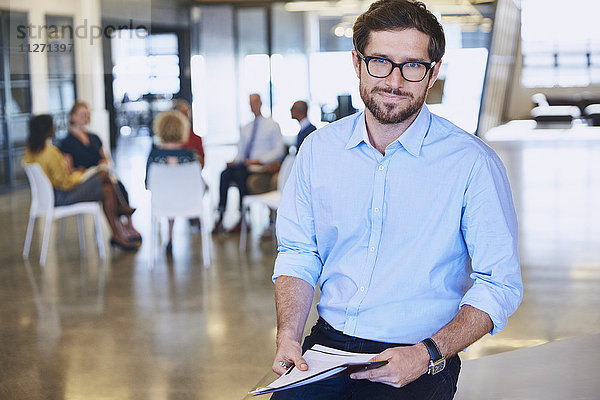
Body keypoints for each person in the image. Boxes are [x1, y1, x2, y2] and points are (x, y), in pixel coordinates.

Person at [270, 1, 523, 399]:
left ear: (433, 71)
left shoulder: (472, 163)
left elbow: (499, 284)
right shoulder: (319, 150)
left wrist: (429, 353)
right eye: (380, 62)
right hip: (325, 348)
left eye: (412, 65)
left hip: (418, 354)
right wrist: (288, 335)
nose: (394, 80)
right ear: (357, 62)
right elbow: (299, 251)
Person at [23, 114, 138, 251]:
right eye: (52, 125)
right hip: (62, 196)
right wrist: (80, 174)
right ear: (46, 129)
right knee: (103, 175)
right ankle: (120, 209)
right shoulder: (50, 152)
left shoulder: (30, 151)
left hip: (49, 197)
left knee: (107, 190)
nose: (54, 128)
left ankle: (117, 235)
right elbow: (65, 183)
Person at [59, 101, 141, 244]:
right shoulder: (66, 142)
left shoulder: (94, 137)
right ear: (73, 117)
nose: (85, 117)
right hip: (83, 181)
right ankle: (123, 216)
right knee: (106, 178)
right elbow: (69, 170)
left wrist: (103, 163)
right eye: (82, 114)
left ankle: (119, 234)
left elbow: (106, 158)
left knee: (109, 189)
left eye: (87, 114)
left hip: (101, 177)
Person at [213, 93, 285, 234]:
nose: (253, 106)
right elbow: (241, 152)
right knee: (225, 174)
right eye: (251, 103)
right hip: (245, 164)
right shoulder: (246, 128)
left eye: (255, 102)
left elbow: (279, 150)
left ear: (261, 103)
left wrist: (260, 160)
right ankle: (220, 216)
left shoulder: (272, 125)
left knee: (241, 175)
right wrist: (233, 161)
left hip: (260, 166)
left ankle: (243, 218)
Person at [146, 110, 198, 255]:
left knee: (168, 192)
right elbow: (197, 183)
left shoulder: (154, 156)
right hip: (189, 203)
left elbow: (148, 185)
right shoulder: (191, 155)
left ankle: (169, 237)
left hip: (162, 204)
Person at [173, 99, 205, 168]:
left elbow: (202, 163)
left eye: (187, 112)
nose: (186, 115)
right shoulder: (170, 139)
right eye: (182, 112)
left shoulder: (197, 139)